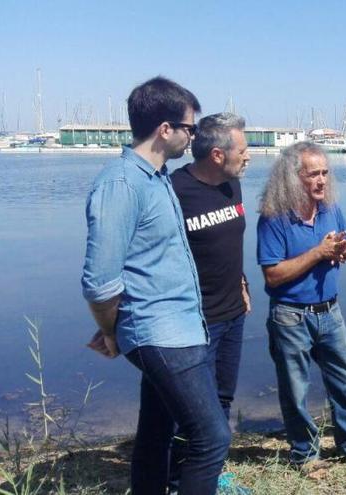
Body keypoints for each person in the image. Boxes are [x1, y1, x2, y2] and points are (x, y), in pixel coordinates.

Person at [81, 76, 231, 494]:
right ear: (165, 129)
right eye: (190, 128)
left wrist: (117, 327)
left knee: (157, 427)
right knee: (212, 436)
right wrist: (113, 330)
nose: (193, 136)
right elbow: (99, 282)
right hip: (160, 333)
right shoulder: (121, 184)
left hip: (176, 327)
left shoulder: (157, 177)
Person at [256, 142, 346, 468]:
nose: (321, 180)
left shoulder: (330, 209)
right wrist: (319, 253)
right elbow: (273, 275)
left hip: (330, 313)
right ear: (294, 178)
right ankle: (305, 455)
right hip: (290, 317)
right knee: (295, 392)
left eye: (324, 173)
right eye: (313, 174)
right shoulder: (273, 217)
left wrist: (344, 250)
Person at [169, 113, 251, 490]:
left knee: (221, 398)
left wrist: (242, 280)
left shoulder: (232, 185)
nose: (249, 156)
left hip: (233, 312)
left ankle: (211, 473)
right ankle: (177, 477)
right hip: (194, 321)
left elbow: (228, 242)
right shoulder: (174, 191)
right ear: (217, 155)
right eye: (244, 149)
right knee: (190, 412)